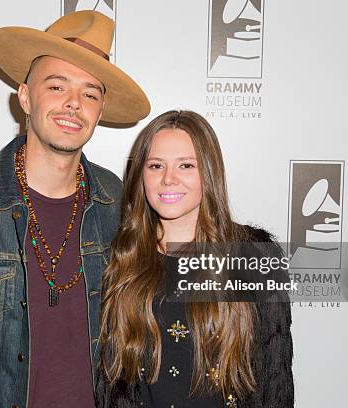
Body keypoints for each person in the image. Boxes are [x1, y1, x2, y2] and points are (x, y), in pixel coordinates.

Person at [0, 11, 150, 407]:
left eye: (90, 93)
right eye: (57, 86)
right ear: (25, 97)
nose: (74, 104)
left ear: (100, 111)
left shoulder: (115, 198)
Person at [96, 110, 294, 407]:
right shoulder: (121, 256)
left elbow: (275, 380)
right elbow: (110, 386)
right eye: (155, 165)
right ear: (141, 176)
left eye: (186, 165)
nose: (168, 179)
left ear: (209, 173)